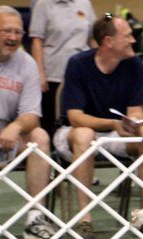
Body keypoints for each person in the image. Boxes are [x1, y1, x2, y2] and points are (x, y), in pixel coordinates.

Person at [54, 14, 143, 239]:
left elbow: (136, 109)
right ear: (108, 41)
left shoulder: (134, 64)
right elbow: (75, 117)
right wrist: (111, 123)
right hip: (74, 133)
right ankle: (83, 219)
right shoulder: (78, 64)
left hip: (116, 134)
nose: (133, 41)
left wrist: (133, 121)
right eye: (127, 36)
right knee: (86, 136)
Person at [0, 6, 60, 239]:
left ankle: (35, 218)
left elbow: (31, 114)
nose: (14, 37)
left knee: (38, 136)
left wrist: (16, 126)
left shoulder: (26, 63)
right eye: (7, 31)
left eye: (18, 32)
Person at [29, 0, 96, 138]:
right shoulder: (43, 5)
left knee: (81, 119)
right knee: (52, 121)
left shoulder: (85, 3)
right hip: (54, 72)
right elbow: (37, 41)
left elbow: (92, 37)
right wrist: (39, 72)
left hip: (83, 74)